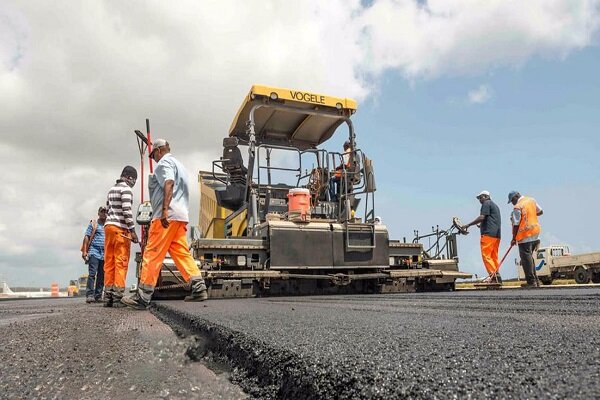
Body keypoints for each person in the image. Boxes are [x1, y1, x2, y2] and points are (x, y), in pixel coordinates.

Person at [122, 139, 208, 310]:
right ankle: (198, 288)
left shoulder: (164, 163)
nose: (154, 159)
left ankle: (143, 296)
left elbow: (169, 183)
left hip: (166, 217)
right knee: (181, 253)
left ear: (160, 150)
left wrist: (164, 210)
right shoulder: (180, 166)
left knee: (152, 253)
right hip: (181, 216)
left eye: (154, 155)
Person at [104, 166, 139, 307]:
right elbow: (126, 211)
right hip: (120, 230)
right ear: (129, 177)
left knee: (109, 262)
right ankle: (118, 297)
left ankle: (108, 297)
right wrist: (132, 231)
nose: (134, 183)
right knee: (121, 261)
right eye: (134, 180)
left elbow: (107, 209)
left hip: (108, 228)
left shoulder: (111, 190)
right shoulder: (126, 190)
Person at [462, 191, 502, 283]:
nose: (480, 200)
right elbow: (491, 219)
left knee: (486, 256)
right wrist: (482, 225)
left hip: (488, 235)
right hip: (496, 236)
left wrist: (468, 225)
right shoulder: (495, 206)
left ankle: (493, 276)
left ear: (486, 196)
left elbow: (482, 217)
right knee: (493, 256)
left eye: (480, 197)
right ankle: (497, 276)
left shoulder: (486, 203)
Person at [508, 191, 543, 288]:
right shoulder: (531, 200)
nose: (512, 203)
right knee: (529, 258)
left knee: (526, 260)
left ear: (516, 197)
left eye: (512, 200)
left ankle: (531, 282)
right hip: (535, 234)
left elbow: (516, 224)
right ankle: (536, 281)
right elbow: (540, 211)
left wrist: (513, 239)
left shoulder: (518, 207)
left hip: (525, 236)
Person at [81, 206, 107, 302]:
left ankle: (98, 295)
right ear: (98, 213)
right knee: (92, 274)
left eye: (106, 212)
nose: (104, 214)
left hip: (104, 254)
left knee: (102, 275)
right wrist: (84, 251)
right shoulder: (94, 224)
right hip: (94, 252)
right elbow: (87, 237)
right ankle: (90, 295)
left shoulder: (108, 225)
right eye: (102, 212)